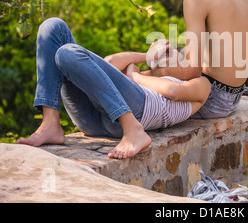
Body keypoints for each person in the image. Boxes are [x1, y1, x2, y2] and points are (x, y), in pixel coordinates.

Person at [16, 18, 211, 159]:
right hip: (93, 120)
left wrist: (133, 76)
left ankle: (132, 130)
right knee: (52, 27)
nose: (164, 54)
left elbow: (172, 92)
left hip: (137, 114)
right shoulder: (145, 76)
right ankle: (51, 122)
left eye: (170, 51)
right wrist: (147, 55)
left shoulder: (200, 83)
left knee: (67, 53)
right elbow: (108, 62)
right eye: (161, 54)